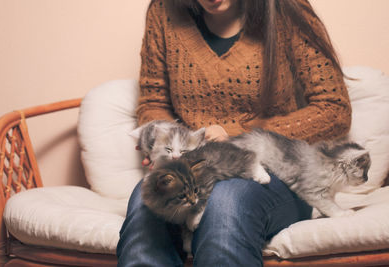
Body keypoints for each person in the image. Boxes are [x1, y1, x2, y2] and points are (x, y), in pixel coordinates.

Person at [117, 0, 351, 266]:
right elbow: (153, 102)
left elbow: (334, 109)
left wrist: (236, 134)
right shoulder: (164, 10)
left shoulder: (286, 8)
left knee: (226, 203)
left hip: (275, 173)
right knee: (144, 203)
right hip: (194, 167)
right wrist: (161, 140)